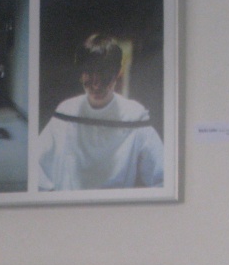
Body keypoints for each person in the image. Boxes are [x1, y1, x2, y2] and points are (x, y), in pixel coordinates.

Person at [38, 33, 164, 190]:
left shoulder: (134, 117)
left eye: (103, 74)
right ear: (81, 73)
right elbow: (37, 166)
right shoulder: (66, 112)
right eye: (89, 74)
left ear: (117, 73)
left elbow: (162, 176)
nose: (96, 85)